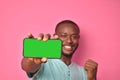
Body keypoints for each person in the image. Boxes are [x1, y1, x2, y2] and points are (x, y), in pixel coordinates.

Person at [21, 20, 98, 80]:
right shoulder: (43, 63)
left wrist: (92, 78)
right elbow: (28, 66)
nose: (69, 41)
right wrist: (30, 59)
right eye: (64, 36)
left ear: (78, 39)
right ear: (55, 37)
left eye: (74, 36)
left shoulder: (84, 72)